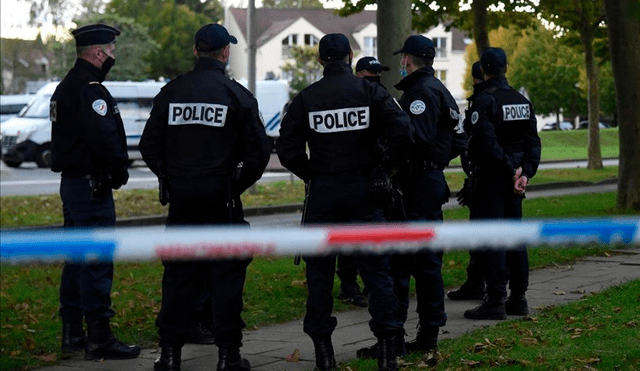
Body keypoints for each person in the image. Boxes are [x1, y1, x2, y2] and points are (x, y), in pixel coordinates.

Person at [276, 33, 413, 371]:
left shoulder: (307, 98)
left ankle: (325, 357)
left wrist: (312, 173)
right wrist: (384, 165)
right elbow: (404, 134)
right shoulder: (370, 92)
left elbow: (287, 148)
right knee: (377, 272)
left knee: (320, 275)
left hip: (323, 194)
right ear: (350, 56)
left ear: (321, 59)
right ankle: (386, 355)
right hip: (365, 191)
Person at [139, 23, 271, 371]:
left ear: (195, 51)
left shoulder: (171, 92)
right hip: (222, 202)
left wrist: (172, 179)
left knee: (178, 278)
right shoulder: (236, 94)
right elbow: (259, 153)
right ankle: (228, 356)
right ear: (225, 53)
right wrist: (232, 185)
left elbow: (148, 146)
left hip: (182, 203)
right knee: (226, 278)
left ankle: (169, 355)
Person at [358, 35, 466, 358]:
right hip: (430, 181)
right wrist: (437, 162)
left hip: (415, 184)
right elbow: (460, 142)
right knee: (428, 260)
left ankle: (394, 337)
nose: (401, 64)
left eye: (403, 58)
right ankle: (428, 334)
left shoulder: (419, 94)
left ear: (408, 59)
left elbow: (412, 137)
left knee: (403, 261)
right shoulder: (442, 91)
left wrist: (389, 159)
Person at [50, 23, 141, 361]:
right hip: (92, 187)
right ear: (99, 53)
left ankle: (73, 332)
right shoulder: (90, 90)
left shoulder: (65, 87)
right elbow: (104, 140)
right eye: (112, 50)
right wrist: (119, 172)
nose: (113, 56)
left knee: (75, 259)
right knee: (96, 261)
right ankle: (99, 337)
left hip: (73, 185)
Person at [462, 47, 541, 320]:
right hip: (515, 178)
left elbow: (485, 143)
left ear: (483, 70)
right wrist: (524, 173)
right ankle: (518, 298)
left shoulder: (485, 101)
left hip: (492, 179)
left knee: (495, 237)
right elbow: (533, 142)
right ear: (505, 68)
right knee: (515, 237)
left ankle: (495, 299)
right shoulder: (521, 99)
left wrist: (510, 171)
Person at [335, 55, 393, 310]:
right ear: (357, 74)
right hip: (345, 176)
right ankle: (349, 285)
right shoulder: (347, 97)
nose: (376, 83)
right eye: (371, 78)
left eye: (379, 78)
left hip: (373, 176)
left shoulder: (380, 97)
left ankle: (368, 284)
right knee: (349, 235)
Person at [448, 61, 488, 301]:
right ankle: (478, 284)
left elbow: (480, 144)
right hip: (492, 177)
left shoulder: (483, 103)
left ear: (475, 79)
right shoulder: (511, 99)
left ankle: (486, 289)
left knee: (483, 236)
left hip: (486, 180)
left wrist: (476, 177)